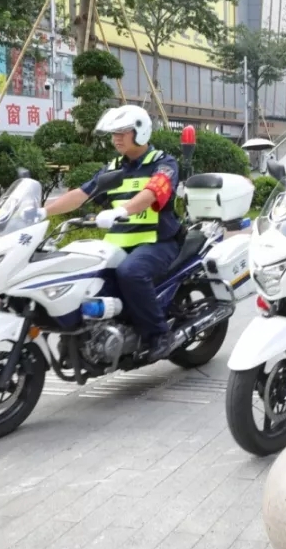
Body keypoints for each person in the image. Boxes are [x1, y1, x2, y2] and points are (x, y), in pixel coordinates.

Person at [38, 105, 182, 362]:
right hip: (119, 242)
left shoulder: (163, 163)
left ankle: (159, 335)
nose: (116, 138)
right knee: (84, 273)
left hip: (158, 241)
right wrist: (42, 212)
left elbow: (152, 192)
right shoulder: (113, 168)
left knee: (131, 272)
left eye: (122, 132)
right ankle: (84, 335)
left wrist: (122, 210)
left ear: (140, 131)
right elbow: (81, 194)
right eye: (114, 133)